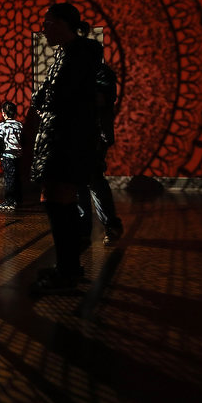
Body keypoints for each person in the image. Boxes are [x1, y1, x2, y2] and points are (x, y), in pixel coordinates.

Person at [29, 3, 102, 295]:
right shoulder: (68, 53)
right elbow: (48, 94)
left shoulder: (80, 53)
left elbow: (55, 95)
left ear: (62, 24)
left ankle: (67, 269)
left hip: (67, 138)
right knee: (60, 202)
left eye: (47, 22)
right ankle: (68, 266)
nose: (44, 28)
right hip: (64, 137)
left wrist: (44, 97)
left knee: (59, 202)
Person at [78, 21, 124, 245]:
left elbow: (100, 99)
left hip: (95, 133)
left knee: (93, 179)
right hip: (81, 131)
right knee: (82, 179)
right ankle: (85, 226)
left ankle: (109, 224)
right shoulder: (84, 73)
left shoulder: (101, 72)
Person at [0, 101, 23, 210]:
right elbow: (22, 140)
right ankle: (17, 199)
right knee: (16, 177)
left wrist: (1, 155)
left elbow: (0, 142)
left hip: (7, 155)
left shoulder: (2, 126)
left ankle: (9, 202)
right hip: (18, 155)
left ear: (3, 113)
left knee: (9, 178)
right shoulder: (19, 125)